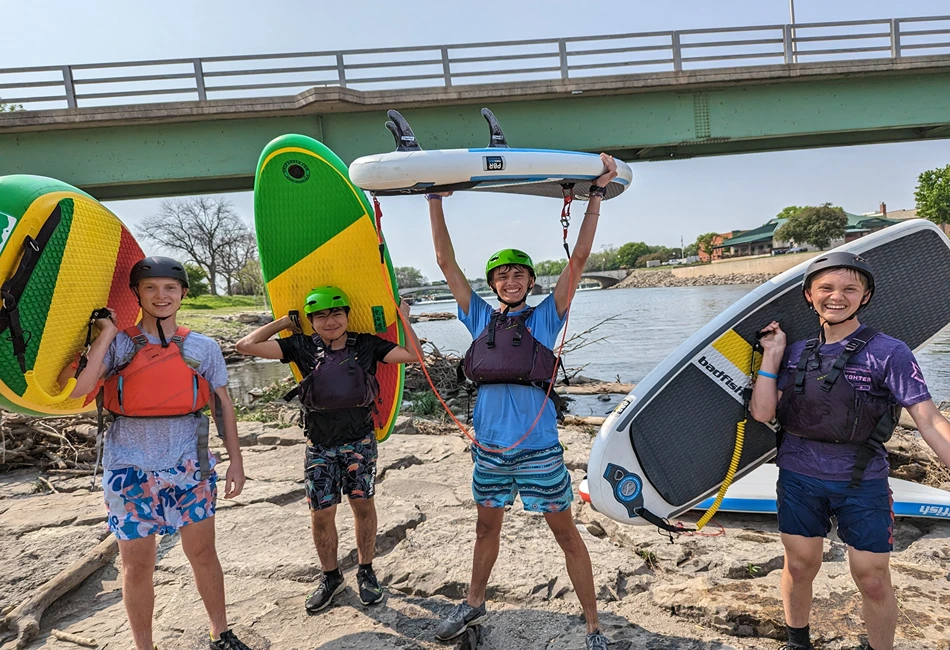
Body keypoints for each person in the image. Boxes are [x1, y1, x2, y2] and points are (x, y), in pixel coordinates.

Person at [425, 154, 618, 650]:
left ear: (531, 282)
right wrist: (434, 199)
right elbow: (446, 263)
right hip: (490, 450)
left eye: (519, 275)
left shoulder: (546, 318)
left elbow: (579, 260)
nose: (510, 281)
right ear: (493, 284)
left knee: (566, 535)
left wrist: (595, 196)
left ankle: (593, 627)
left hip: (538, 451)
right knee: (484, 530)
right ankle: (473, 603)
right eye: (502, 276)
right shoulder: (478, 318)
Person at [749, 252, 950, 650]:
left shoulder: (890, 352)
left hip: (862, 479)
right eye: (825, 288)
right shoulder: (795, 351)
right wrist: (771, 354)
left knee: (872, 578)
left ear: (865, 296)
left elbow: (929, 420)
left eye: (849, 289)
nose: (836, 297)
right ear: (809, 295)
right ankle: (798, 642)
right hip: (798, 475)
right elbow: (762, 412)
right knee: (800, 565)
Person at [60, 256, 252, 650]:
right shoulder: (119, 345)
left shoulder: (203, 347)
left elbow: (222, 405)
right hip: (129, 468)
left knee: (203, 552)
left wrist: (236, 460)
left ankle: (220, 632)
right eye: (150, 287)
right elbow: (78, 388)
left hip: (190, 465)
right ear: (137, 293)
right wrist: (107, 333)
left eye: (169, 288)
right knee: (136, 566)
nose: (160, 295)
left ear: (183, 293)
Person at [235, 286, 423, 612]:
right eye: (320, 316)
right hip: (319, 446)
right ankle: (331, 577)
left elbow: (412, 355)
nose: (330, 321)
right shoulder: (301, 346)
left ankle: (366, 571)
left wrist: (404, 318)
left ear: (347, 315)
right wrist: (284, 322)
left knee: (362, 505)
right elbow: (245, 345)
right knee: (321, 513)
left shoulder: (366, 345)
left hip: (360, 443)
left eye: (336, 313)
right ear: (311, 321)